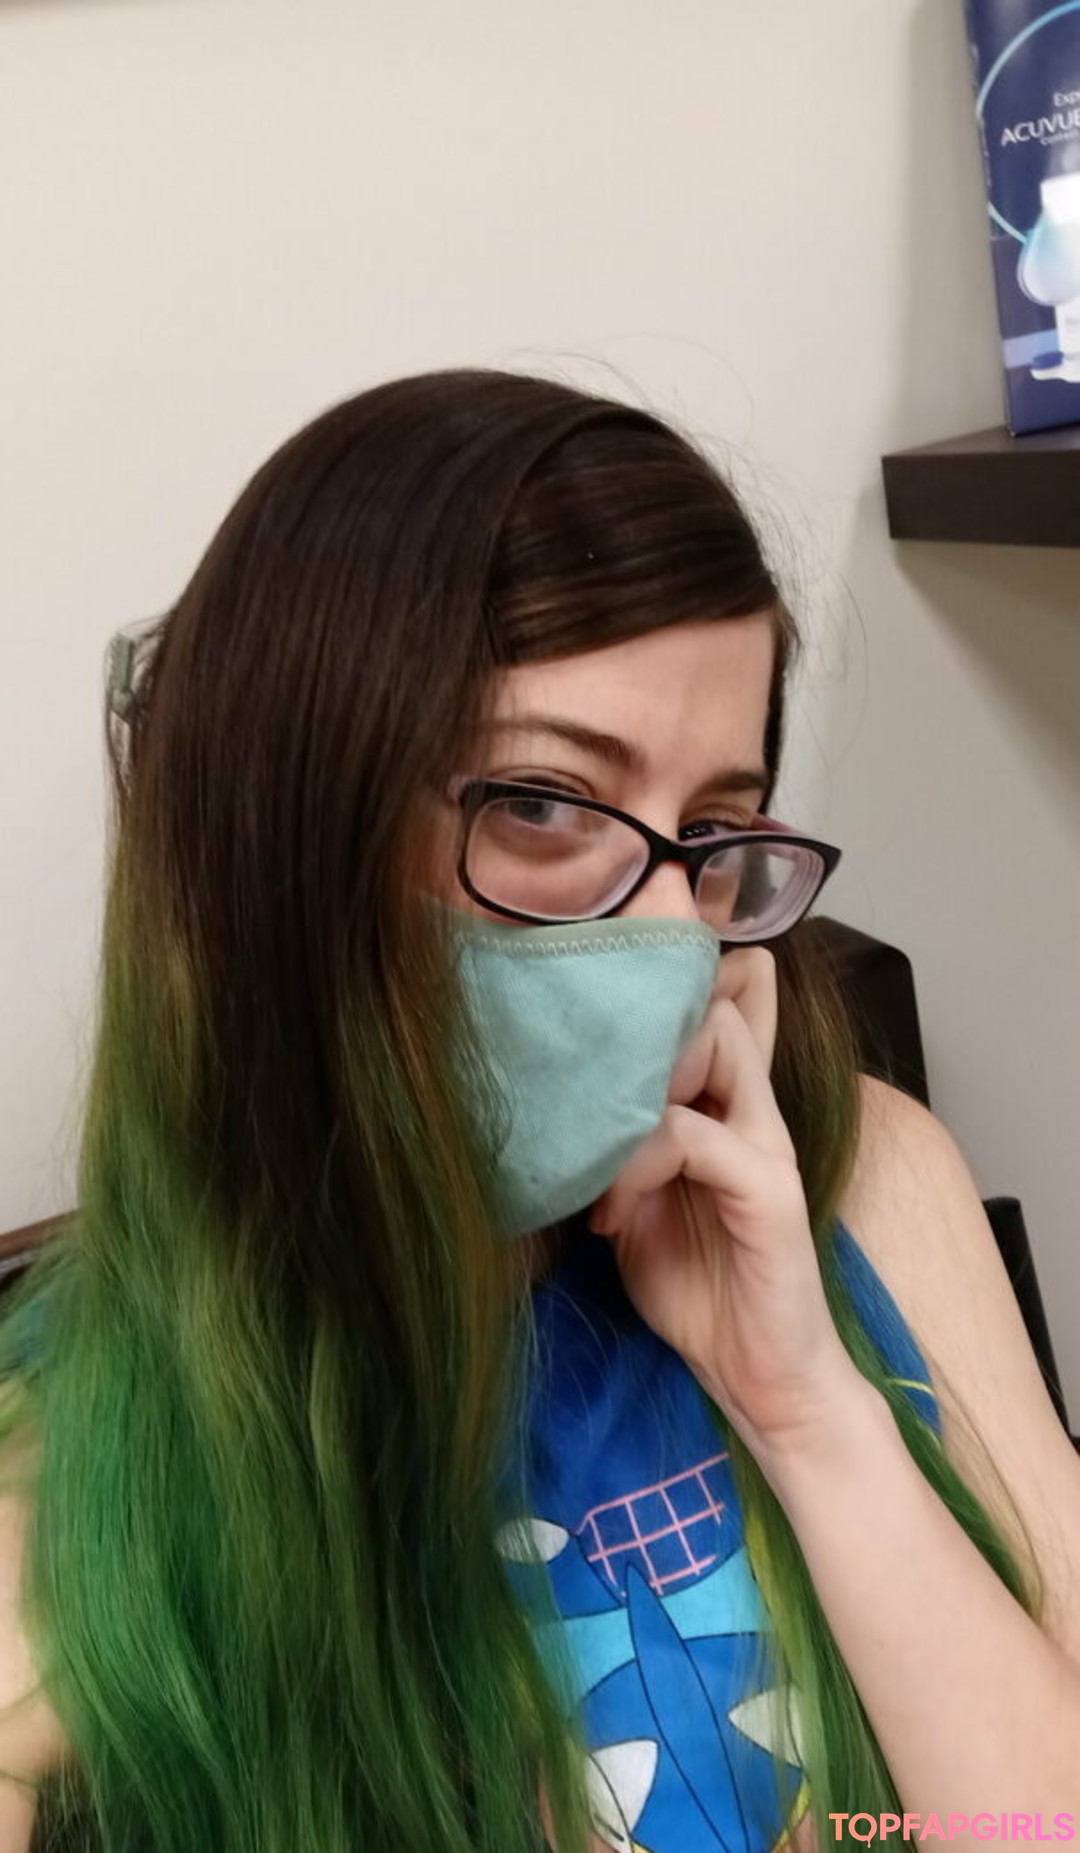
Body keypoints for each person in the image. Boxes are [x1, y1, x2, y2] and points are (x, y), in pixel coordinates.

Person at [1, 369, 1079, 1853]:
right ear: (284, 843)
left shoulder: (871, 1184)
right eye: (545, 803)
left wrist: (805, 1407)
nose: (667, 931)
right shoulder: (69, 1480)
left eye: (710, 830)